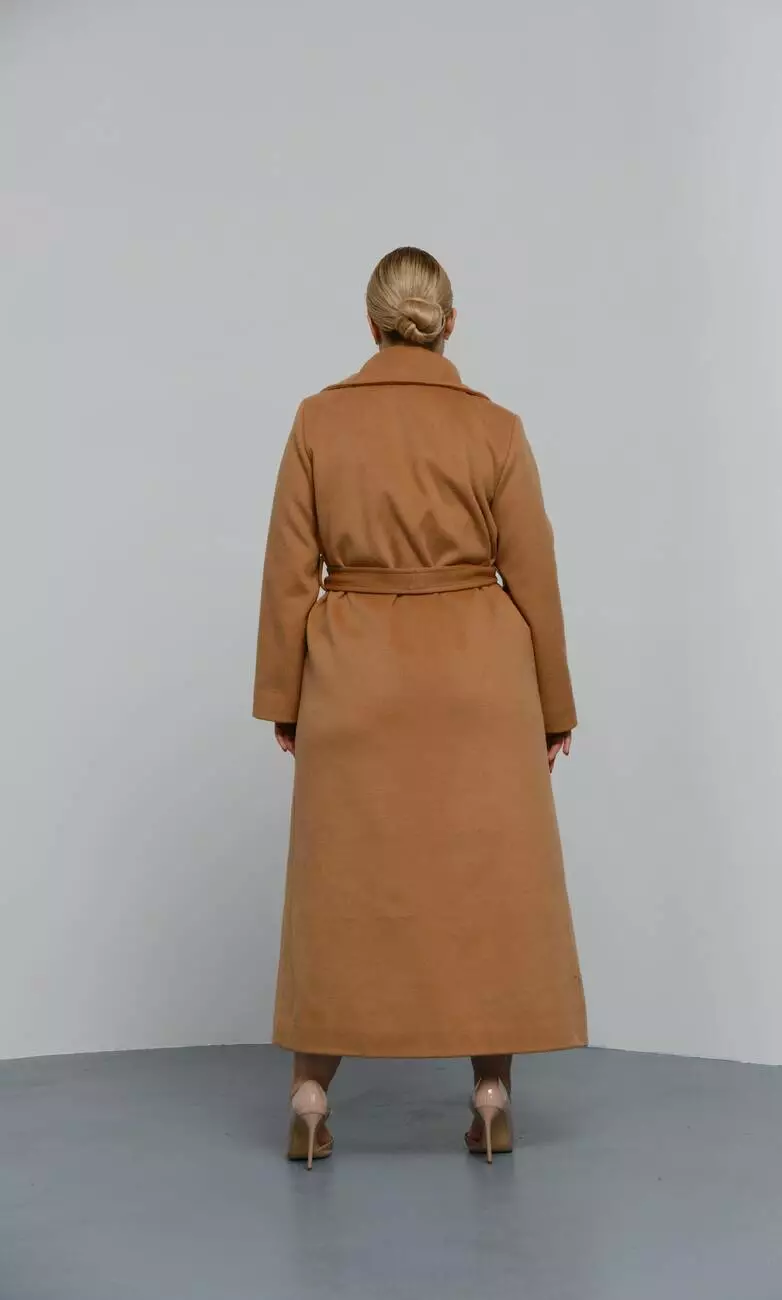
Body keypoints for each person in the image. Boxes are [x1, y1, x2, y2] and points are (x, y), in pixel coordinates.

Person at [253, 246, 587, 1168]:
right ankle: (490, 1095)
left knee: (339, 884)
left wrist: (285, 696)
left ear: (370, 325)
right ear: (449, 325)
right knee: (488, 885)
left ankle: (312, 1095)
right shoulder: (496, 429)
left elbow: (288, 573)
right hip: (481, 676)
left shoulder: (318, 421)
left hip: (352, 673)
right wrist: (553, 706)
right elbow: (535, 576)